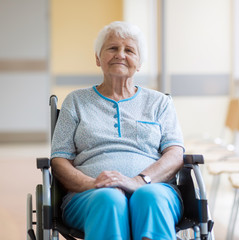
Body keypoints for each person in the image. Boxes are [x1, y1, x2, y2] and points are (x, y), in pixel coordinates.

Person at [51, 21, 185, 240]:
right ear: (98, 58)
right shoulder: (76, 101)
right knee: (110, 199)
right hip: (90, 196)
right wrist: (92, 184)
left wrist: (140, 181)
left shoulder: (159, 103)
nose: (120, 55)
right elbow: (59, 159)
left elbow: (175, 153)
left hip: (155, 189)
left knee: (148, 197)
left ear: (139, 63)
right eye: (112, 48)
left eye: (129, 50)